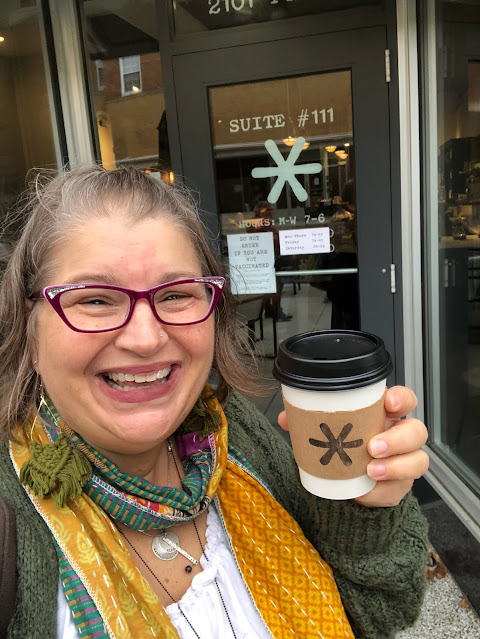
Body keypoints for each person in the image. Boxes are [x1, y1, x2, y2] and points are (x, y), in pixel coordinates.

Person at [0, 166, 430, 639]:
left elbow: (379, 614)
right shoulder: (10, 527)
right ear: (31, 332)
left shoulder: (237, 436)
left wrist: (363, 510)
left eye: (176, 294)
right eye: (95, 300)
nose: (145, 339)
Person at [253, 200, 293, 322]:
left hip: (268, 258)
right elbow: (267, 240)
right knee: (276, 287)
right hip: (267, 259)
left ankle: (270, 310)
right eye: (269, 210)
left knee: (271, 287)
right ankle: (276, 312)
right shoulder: (261, 224)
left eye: (271, 209)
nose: (272, 212)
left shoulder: (263, 223)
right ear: (262, 212)